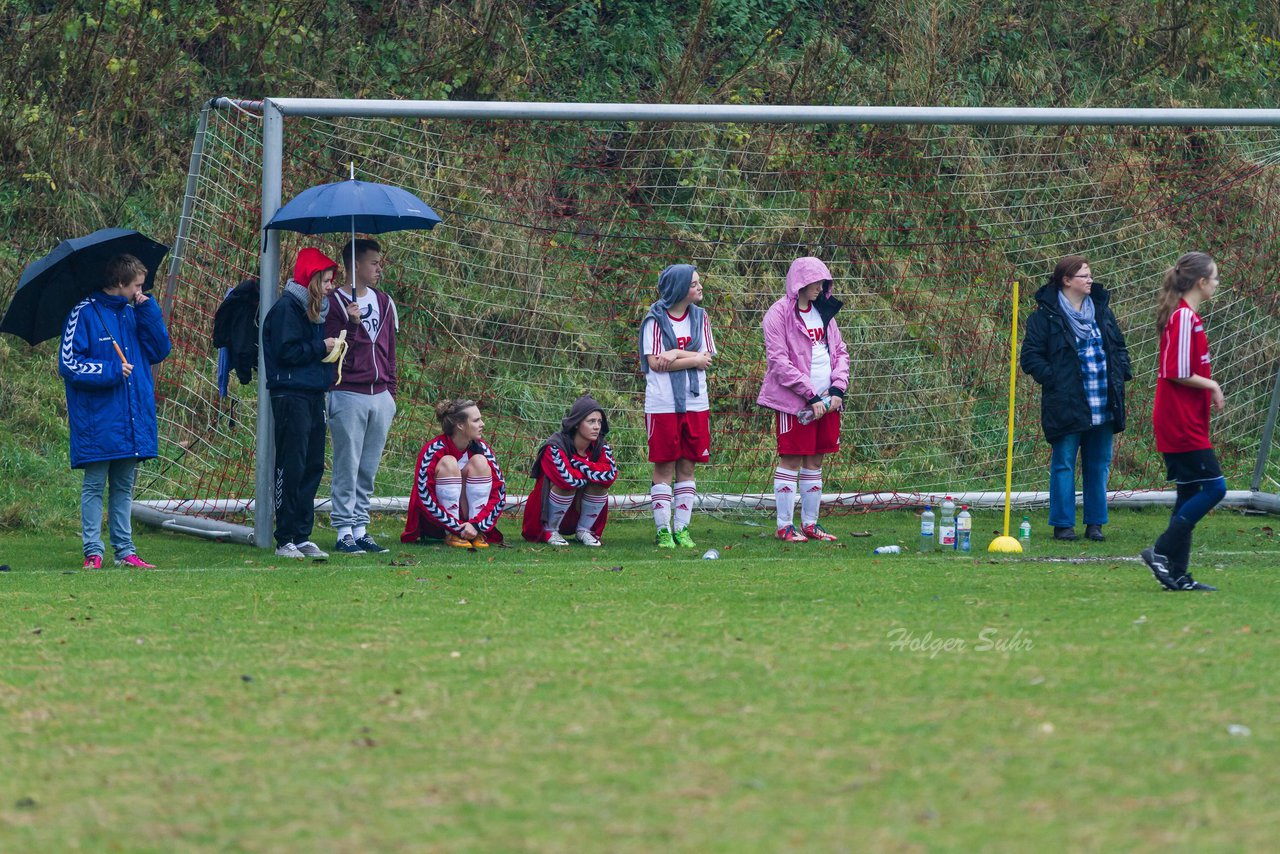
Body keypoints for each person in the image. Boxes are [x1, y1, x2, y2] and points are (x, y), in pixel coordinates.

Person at [59, 254, 172, 568]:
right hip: (99, 421)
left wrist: (148, 309)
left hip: (132, 417)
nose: (141, 290)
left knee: (124, 486)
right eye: (137, 285)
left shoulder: (134, 312)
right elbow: (68, 364)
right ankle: (93, 552)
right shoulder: (83, 313)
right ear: (120, 283)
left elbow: (161, 349)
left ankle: (125, 552)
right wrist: (110, 370)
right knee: (95, 485)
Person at [1020, 256, 1132, 542]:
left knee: (1099, 464)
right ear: (1066, 280)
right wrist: (1056, 380)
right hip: (1066, 403)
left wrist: (1120, 373)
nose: (1089, 280)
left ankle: (1095, 524)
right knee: (1064, 464)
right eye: (1083, 275)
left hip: (1103, 402)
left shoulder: (1102, 312)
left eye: (1090, 275)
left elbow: (1118, 347)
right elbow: (1031, 357)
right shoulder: (1044, 317)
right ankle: (1063, 524)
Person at [1141, 252, 1227, 592]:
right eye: (1215, 278)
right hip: (1179, 421)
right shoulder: (1183, 319)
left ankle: (1177, 574)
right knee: (1215, 487)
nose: (1218, 284)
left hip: (1188, 418)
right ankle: (1160, 551)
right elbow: (1175, 372)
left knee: (1188, 492)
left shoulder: (1188, 318)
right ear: (1201, 282)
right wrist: (1213, 385)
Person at [757, 256, 850, 542]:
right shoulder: (778, 314)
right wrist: (810, 395)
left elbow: (840, 353)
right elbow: (778, 362)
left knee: (815, 461)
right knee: (791, 459)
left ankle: (811, 524)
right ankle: (784, 525)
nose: (821, 288)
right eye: (816, 282)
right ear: (800, 282)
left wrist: (837, 390)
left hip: (827, 402)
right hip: (795, 403)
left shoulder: (824, 313)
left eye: (824, 282)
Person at [262, 247, 342, 560]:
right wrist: (320, 345)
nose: (331, 286)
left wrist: (332, 351)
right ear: (311, 280)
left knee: (312, 464)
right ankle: (285, 538)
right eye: (326, 280)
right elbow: (287, 352)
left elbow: (310, 351)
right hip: (290, 394)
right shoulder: (286, 309)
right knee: (291, 463)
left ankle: (302, 534)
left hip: (313, 393)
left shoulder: (316, 311)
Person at [325, 238, 398, 555]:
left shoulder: (384, 301)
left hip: (380, 395)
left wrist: (391, 393)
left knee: (367, 467)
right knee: (347, 464)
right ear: (355, 265)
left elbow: (390, 351)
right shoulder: (334, 303)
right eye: (373, 262)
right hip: (348, 393)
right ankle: (343, 530)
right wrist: (351, 324)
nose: (379, 267)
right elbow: (332, 354)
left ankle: (360, 527)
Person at [639, 264, 716, 549]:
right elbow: (656, 364)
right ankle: (663, 530)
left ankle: (682, 529)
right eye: (695, 283)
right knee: (664, 465)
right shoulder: (654, 319)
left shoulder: (700, 317)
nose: (700, 287)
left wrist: (675, 353)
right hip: (663, 404)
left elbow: (706, 357)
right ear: (681, 288)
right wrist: (692, 359)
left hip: (696, 402)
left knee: (688, 464)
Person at [401, 399, 506, 548]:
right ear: (461, 425)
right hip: (437, 525)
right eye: (476, 420)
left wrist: (476, 525)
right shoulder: (433, 450)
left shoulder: (482, 448)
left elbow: (499, 492)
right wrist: (455, 527)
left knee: (480, 462)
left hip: (475, 525)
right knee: (449, 462)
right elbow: (424, 496)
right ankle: (453, 534)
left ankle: (475, 534)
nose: (482, 424)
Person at [521, 394, 618, 546]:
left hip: (579, 512)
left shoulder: (600, 446)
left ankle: (584, 530)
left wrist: (577, 463)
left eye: (599, 421)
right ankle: (550, 530)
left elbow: (610, 475)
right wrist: (591, 472)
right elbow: (567, 480)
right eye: (591, 421)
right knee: (566, 486)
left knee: (601, 486)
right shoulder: (555, 445)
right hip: (545, 517)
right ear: (577, 423)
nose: (597, 426)